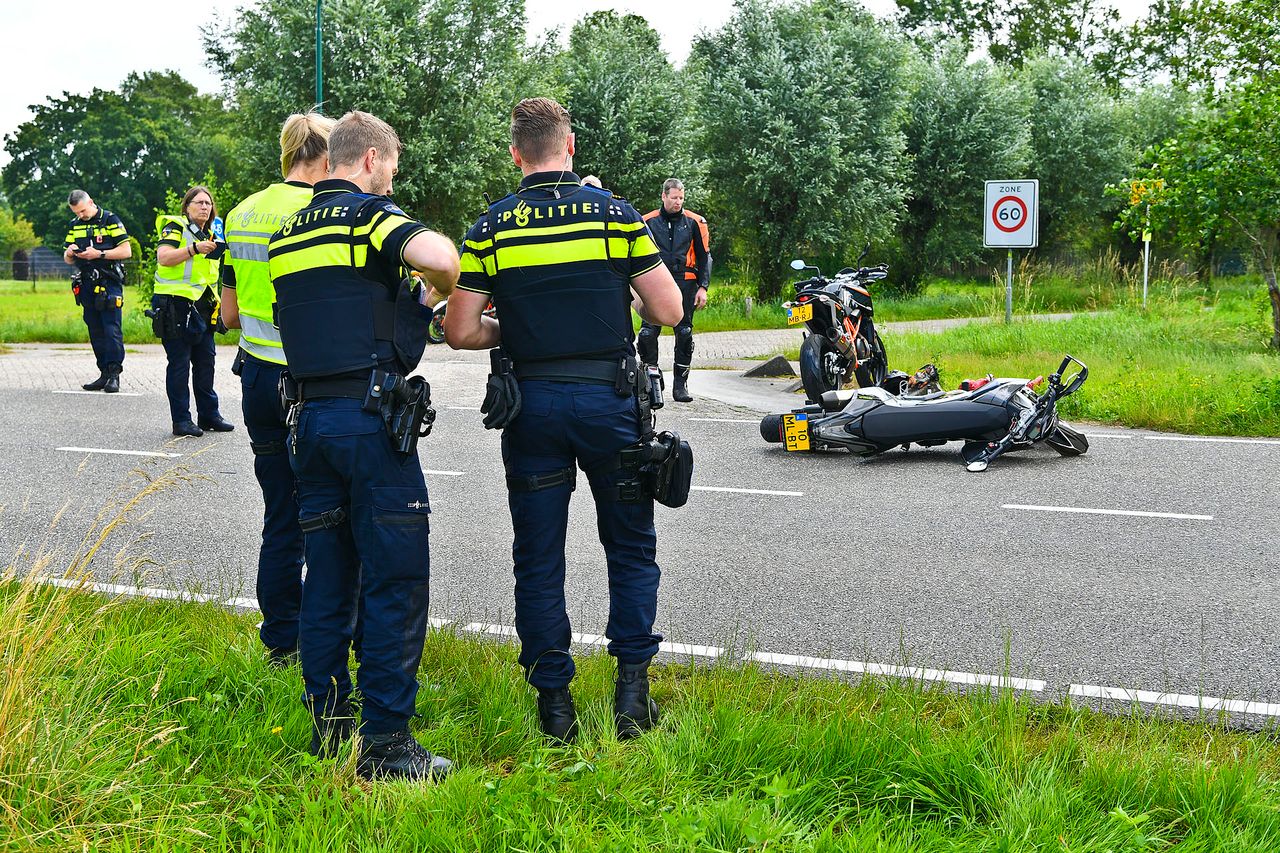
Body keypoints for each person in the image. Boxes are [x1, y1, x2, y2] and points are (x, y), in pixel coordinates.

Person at [445, 97, 683, 744]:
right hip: (610, 404)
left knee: (539, 557)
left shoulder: (491, 226)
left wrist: (510, 324)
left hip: (534, 409)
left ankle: (555, 709)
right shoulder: (615, 215)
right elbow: (668, 310)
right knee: (631, 547)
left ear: (516, 153)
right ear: (570, 146)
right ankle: (632, 697)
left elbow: (460, 328)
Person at [267, 110, 460, 782]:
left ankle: (328, 726)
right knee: (394, 580)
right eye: (393, 169)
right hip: (369, 422)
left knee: (328, 577)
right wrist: (435, 290)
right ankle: (385, 747)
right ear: (371, 159)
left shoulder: (288, 233)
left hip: (309, 422)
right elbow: (443, 258)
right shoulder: (368, 216)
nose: (392, 181)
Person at [220, 112, 334, 666]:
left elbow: (230, 313)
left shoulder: (241, 212)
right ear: (326, 154)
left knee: (279, 514)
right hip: (308, 382)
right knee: (327, 514)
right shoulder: (320, 210)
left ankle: (279, 642)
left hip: (257, 376)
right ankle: (325, 637)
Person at [152, 186, 234, 437]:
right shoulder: (176, 226)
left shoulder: (212, 232)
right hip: (175, 304)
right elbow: (163, 257)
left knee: (206, 362)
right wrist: (193, 249)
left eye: (208, 203)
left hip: (203, 305)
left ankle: (209, 415)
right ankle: (181, 420)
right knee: (179, 365)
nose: (204, 207)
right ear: (187, 206)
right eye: (198, 202)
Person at [638, 179, 712, 403]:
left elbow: (704, 256)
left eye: (681, 198)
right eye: (674, 198)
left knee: (684, 333)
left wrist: (703, 287)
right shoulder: (647, 221)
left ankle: (680, 386)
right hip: (656, 280)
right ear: (663, 196)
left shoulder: (694, 222)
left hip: (685, 281)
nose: (678, 202)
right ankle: (652, 380)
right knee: (648, 334)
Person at [62, 191, 132, 393]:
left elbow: (126, 251)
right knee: (95, 330)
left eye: (83, 210)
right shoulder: (75, 224)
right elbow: (68, 258)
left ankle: (114, 375)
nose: (81, 215)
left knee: (111, 329)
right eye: (77, 212)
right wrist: (69, 252)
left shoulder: (110, 220)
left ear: (91, 202)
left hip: (108, 282)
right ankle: (103, 373)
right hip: (87, 283)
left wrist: (99, 253)